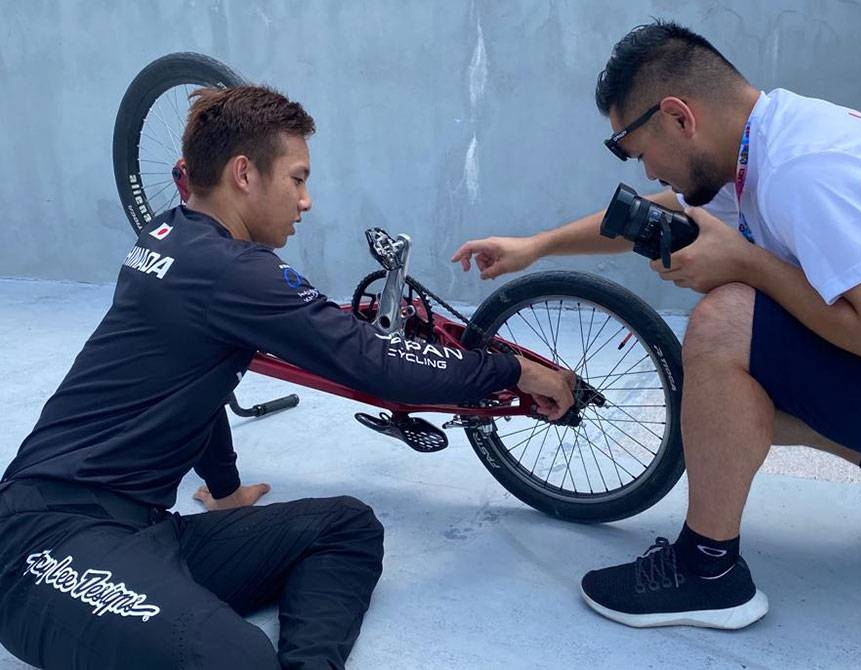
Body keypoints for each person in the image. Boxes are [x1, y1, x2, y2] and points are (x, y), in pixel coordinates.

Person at [0, 85, 575, 669]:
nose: (306, 201)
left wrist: (225, 493)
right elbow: (375, 362)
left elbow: (193, 385)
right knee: (236, 660)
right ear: (244, 174)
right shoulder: (231, 270)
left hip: (142, 533)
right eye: (297, 179)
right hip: (43, 544)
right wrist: (514, 370)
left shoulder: (170, 236)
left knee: (346, 527)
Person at [452, 19, 861, 630]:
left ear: (679, 117)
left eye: (637, 152)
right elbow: (664, 213)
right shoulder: (765, 139)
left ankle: (707, 570)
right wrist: (537, 245)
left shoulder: (806, 169)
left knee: (726, 320)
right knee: (725, 391)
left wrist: (747, 264)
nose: (648, 173)